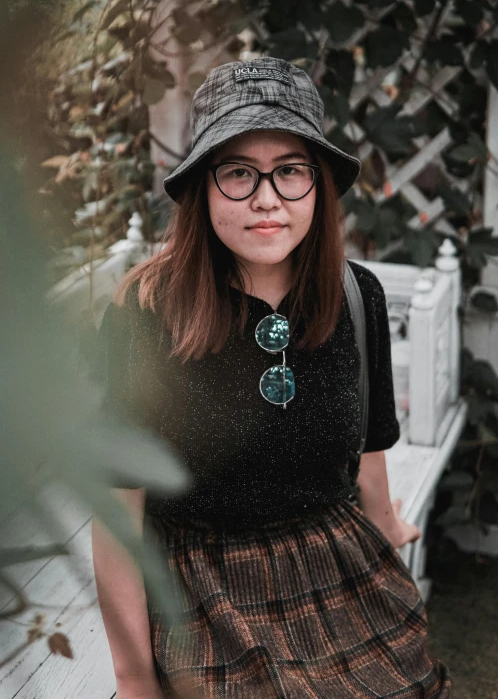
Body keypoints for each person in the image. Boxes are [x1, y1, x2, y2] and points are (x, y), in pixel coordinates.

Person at [91, 57, 452, 698]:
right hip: (204, 586)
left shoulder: (354, 295)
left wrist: (389, 533)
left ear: (317, 186)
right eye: (239, 172)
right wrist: (134, 677)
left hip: (334, 569)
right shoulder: (147, 313)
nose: (267, 198)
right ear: (203, 186)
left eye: (290, 171)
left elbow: (369, 456)